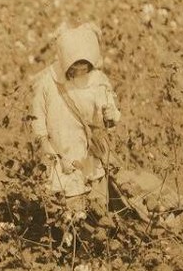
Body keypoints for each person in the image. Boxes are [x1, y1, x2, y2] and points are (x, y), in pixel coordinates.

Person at [29, 22, 121, 220]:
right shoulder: (48, 83)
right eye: (75, 65)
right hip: (63, 156)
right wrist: (46, 147)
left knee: (97, 210)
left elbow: (111, 115)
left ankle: (97, 242)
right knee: (70, 213)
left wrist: (110, 116)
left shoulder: (98, 80)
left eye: (85, 65)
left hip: (92, 155)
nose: (80, 69)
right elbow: (37, 119)